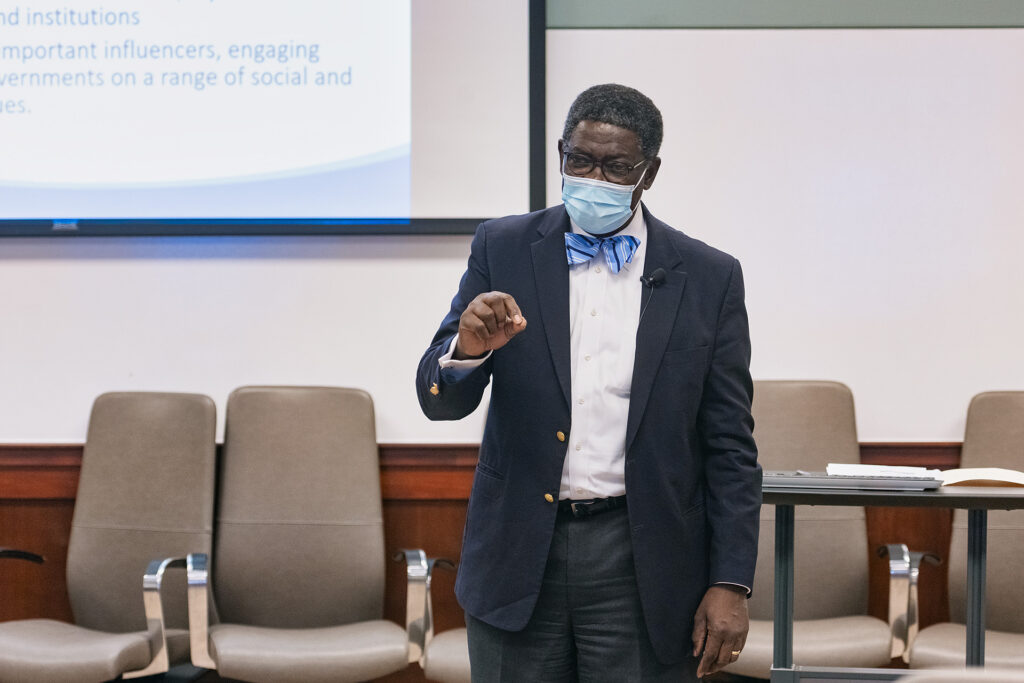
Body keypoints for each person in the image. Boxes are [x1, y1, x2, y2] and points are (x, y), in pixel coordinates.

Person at [416, 83, 761, 682]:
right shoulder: (503, 247)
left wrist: (731, 580)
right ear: (561, 155)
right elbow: (438, 401)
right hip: (520, 555)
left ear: (648, 173)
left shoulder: (709, 277)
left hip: (642, 564)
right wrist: (467, 350)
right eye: (579, 160)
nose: (593, 177)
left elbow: (731, 443)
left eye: (616, 166)